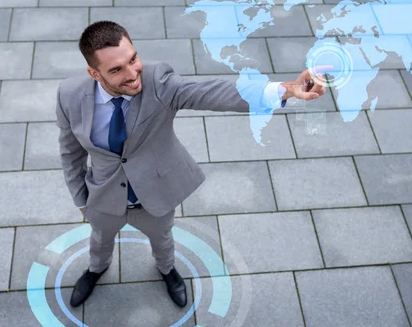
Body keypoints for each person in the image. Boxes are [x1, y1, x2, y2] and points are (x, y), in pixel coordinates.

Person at [56, 21, 329, 308]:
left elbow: (215, 92)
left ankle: (167, 270)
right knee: (99, 241)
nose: (133, 74)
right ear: (94, 73)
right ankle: (96, 270)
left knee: (163, 240)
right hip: (102, 195)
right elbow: (69, 152)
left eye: (133, 59)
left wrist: (286, 90)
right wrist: (81, 199)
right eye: (116, 70)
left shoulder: (159, 82)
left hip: (155, 194)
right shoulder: (69, 95)